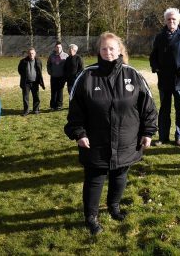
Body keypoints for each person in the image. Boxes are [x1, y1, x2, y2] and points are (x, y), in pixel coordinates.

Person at [65, 32, 157, 236]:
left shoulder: (133, 75)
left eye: (112, 48)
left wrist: (148, 132)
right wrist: (79, 133)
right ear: (99, 50)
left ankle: (114, 206)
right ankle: (91, 216)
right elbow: (75, 111)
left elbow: (148, 108)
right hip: (95, 141)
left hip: (127, 140)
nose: (108, 52)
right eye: (104, 48)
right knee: (95, 178)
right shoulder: (87, 76)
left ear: (120, 51)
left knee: (120, 174)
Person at [149, 7, 180, 146]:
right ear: (165, 20)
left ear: (178, 20)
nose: (171, 21)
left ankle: (179, 136)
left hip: (179, 81)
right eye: (168, 19)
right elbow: (153, 56)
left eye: (174, 19)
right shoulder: (159, 37)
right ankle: (163, 137)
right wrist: (156, 67)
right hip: (164, 80)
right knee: (164, 110)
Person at [17, 47, 45, 116]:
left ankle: (36, 110)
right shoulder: (23, 61)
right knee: (25, 97)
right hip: (26, 83)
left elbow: (39, 71)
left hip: (35, 82)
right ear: (28, 54)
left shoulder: (38, 61)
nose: (31, 55)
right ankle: (26, 111)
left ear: (35, 53)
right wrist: (24, 76)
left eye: (32, 53)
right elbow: (19, 70)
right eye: (30, 53)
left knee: (36, 96)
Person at [46, 41, 68, 110]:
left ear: (62, 48)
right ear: (55, 48)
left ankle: (59, 105)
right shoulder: (51, 56)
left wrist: (65, 74)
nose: (58, 48)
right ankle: (53, 105)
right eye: (57, 47)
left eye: (60, 47)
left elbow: (68, 66)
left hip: (62, 77)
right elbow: (48, 64)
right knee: (53, 91)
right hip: (53, 76)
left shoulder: (66, 56)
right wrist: (50, 72)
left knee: (60, 91)